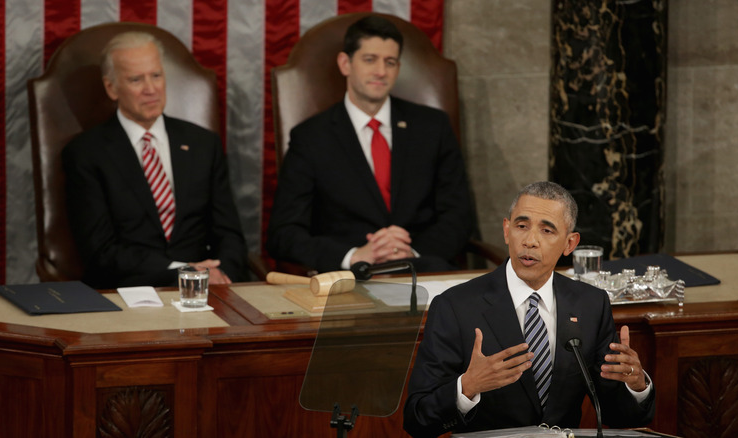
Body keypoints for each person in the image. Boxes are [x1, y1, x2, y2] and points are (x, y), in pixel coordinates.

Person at [403, 181, 655, 437]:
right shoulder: (455, 307)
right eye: (521, 226)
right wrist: (467, 387)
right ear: (506, 230)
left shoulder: (591, 304)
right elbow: (417, 418)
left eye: (547, 231)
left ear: (570, 244)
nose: (530, 241)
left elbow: (620, 416)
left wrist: (636, 386)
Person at [267, 15, 473, 274]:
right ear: (345, 63)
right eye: (369, 60)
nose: (380, 71)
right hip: (349, 281)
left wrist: (411, 252)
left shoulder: (433, 126)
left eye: (390, 62)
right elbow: (283, 234)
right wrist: (354, 256)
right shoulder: (310, 137)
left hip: (424, 271)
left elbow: (459, 217)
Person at [62, 31, 247, 289]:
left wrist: (223, 273)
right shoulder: (86, 153)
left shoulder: (203, 144)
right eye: (136, 80)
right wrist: (184, 273)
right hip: (127, 293)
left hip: (208, 291)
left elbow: (229, 233)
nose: (151, 90)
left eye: (156, 76)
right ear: (111, 88)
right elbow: (101, 252)